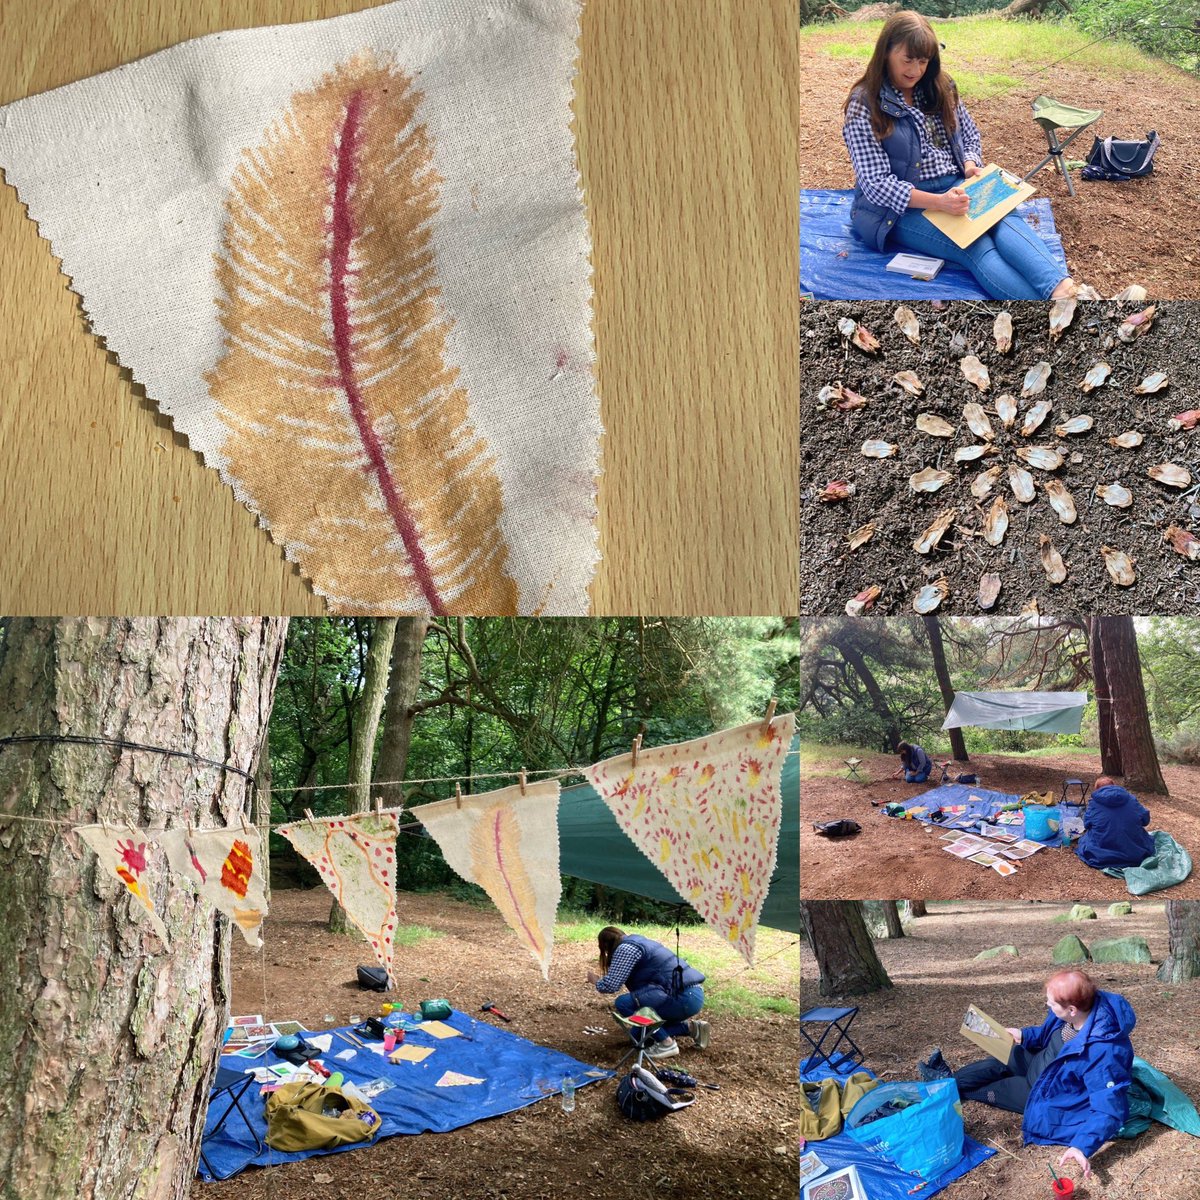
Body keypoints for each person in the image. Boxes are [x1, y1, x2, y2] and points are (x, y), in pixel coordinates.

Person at [841, 10, 1078, 300]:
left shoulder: (939, 86)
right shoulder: (864, 104)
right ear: (886, 52)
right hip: (899, 210)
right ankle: (1052, 309)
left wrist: (969, 164)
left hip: (955, 187)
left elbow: (968, 134)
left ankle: (1064, 291)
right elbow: (876, 185)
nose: (916, 70)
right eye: (908, 59)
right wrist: (939, 203)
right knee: (974, 244)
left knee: (1004, 218)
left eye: (923, 60)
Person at [932, 969, 1136, 1181]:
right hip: (1039, 1063)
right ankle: (945, 1084)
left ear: (1072, 1009)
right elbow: (1047, 1034)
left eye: (1051, 1003)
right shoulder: (1078, 1011)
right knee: (995, 1062)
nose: (1047, 1004)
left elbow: (1109, 1108)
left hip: (1048, 1093)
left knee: (996, 1088)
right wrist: (1023, 1035)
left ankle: (956, 1090)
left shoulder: (1104, 1052)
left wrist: (1081, 1147)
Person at [586, 926, 708, 1060]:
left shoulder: (625, 949)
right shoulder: (640, 941)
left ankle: (666, 1043)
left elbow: (611, 985)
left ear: (605, 945)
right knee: (637, 1036)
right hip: (692, 995)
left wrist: (596, 981)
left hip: (681, 997)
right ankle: (691, 1028)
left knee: (623, 1004)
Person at [1076, 776, 1156, 870]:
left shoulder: (1094, 803)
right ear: (1114, 786)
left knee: (1088, 836)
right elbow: (1145, 820)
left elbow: (1087, 824)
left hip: (1101, 854)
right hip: (1135, 852)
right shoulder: (1131, 799)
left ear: (1097, 789)